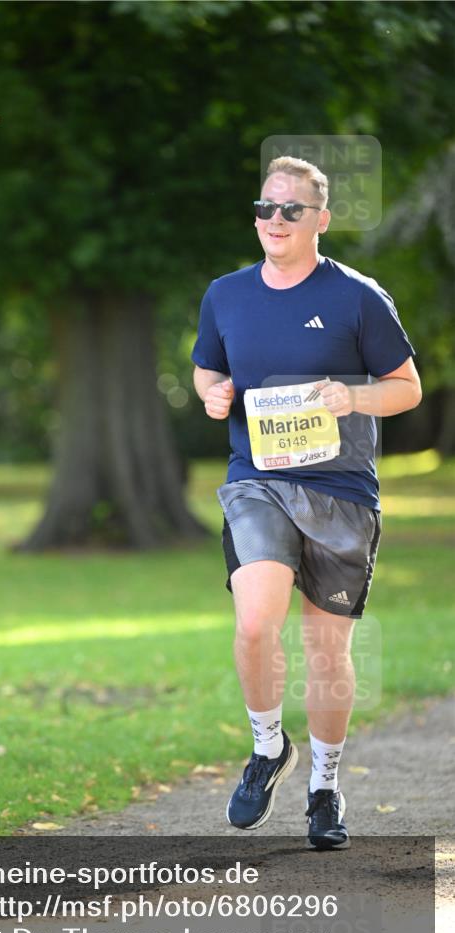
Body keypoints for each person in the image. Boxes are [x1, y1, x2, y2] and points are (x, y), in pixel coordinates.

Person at [191, 155, 421, 849]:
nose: (275, 219)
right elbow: (206, 368)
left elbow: (406, 387)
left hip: (340, 490)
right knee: (255, 621)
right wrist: (212, 394)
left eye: (291, 209)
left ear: (320, 219)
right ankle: (268, 747)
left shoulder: (357, 297)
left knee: (326, 651)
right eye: (265, 207)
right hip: (256, 481)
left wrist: (354, 396)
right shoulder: (225, 295)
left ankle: (324, 787)